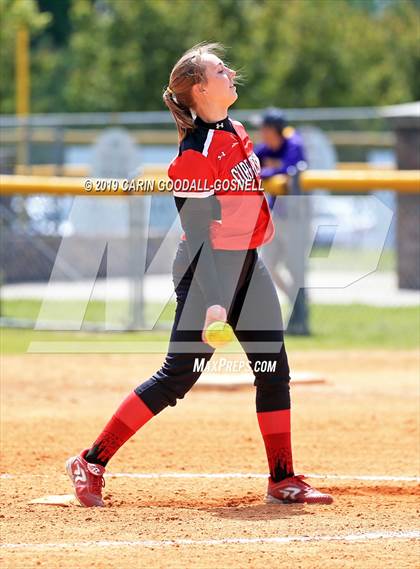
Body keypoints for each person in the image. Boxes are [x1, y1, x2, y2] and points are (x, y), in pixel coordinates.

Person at [66, 43, 332, 507]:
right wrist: (213, 298)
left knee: (273, 370)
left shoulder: (236, 130)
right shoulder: (194, 155)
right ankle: (91, 460)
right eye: (218, 69)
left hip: (247, 264)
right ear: (198, 88)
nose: (230, 72)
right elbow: (197, 233)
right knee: (178, 376)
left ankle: (282, 478)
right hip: (205, 271)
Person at [255, 109, 309, 334]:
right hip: (277, 216)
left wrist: (266, 171)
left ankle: (300, 315)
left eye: (264, 128)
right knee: (267, 264)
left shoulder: (293, 144)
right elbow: (251, 166)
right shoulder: (265, 149)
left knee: (295, 267)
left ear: (272, 129)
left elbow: (289, 169)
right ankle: (297, 305)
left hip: (297, 217)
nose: (260, 132)